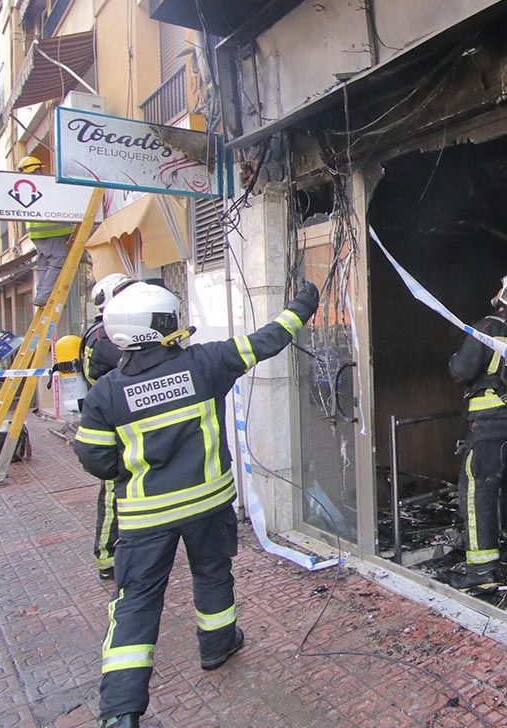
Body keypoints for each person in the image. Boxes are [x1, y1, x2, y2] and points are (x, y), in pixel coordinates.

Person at [73, 279, 320, 728]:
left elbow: (94, 458)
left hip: (144, 517)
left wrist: (135, 472)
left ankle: (121, 712)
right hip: (208, 505)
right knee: (211, 574)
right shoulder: (204, 363)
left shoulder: (105, 393)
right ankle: (218, 644)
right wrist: (303, 305)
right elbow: (267, 340)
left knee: (136, 602)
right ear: (160, 325)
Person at [447, 272, 507, 592]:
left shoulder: (488, 327)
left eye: (502, 288)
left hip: (487, 427)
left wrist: (453, 361)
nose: (497, 291)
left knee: (479, 494)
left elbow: (462, 370)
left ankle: (482, 572)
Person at [81, 273, 134, 581]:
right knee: (113, 493)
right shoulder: (107, 337)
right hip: (114, 428)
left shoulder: (104, 332)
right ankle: (106, 555)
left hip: (118, 421)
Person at [17, 156, 74, 308]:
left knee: (44, 265)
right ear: (37, 169)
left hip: (37, 235)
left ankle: (42, 295)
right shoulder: (42, 184)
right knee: (59, 260)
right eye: (41, 168)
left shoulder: (25, 185)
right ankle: (45, 295)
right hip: (52, 232)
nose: (44, 171)